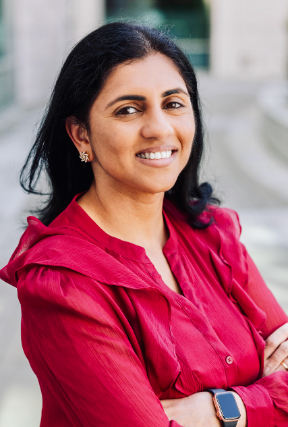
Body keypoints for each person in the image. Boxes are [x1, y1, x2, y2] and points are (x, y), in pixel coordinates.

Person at [0, 22, 288, 427]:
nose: (159, 129)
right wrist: (266, 393)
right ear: (81, 135)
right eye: (129, 110)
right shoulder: (63, 285)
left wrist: (224, 409)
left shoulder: (212, 233)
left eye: (173, 103)